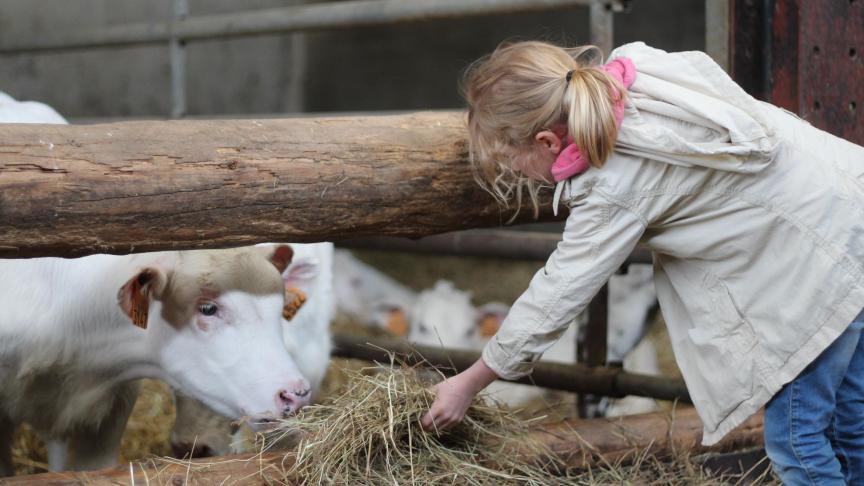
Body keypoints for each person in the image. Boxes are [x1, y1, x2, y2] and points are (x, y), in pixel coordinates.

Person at [419, 41, 864, 485]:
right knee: (850, 421)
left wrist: (470, 381)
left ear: (548, 141)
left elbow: (557, 293)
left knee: (797, 441)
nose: (516, 173)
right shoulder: (639, 68)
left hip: (819, 270)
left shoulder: (613, 180)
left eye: (512, 162)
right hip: (851, 212)